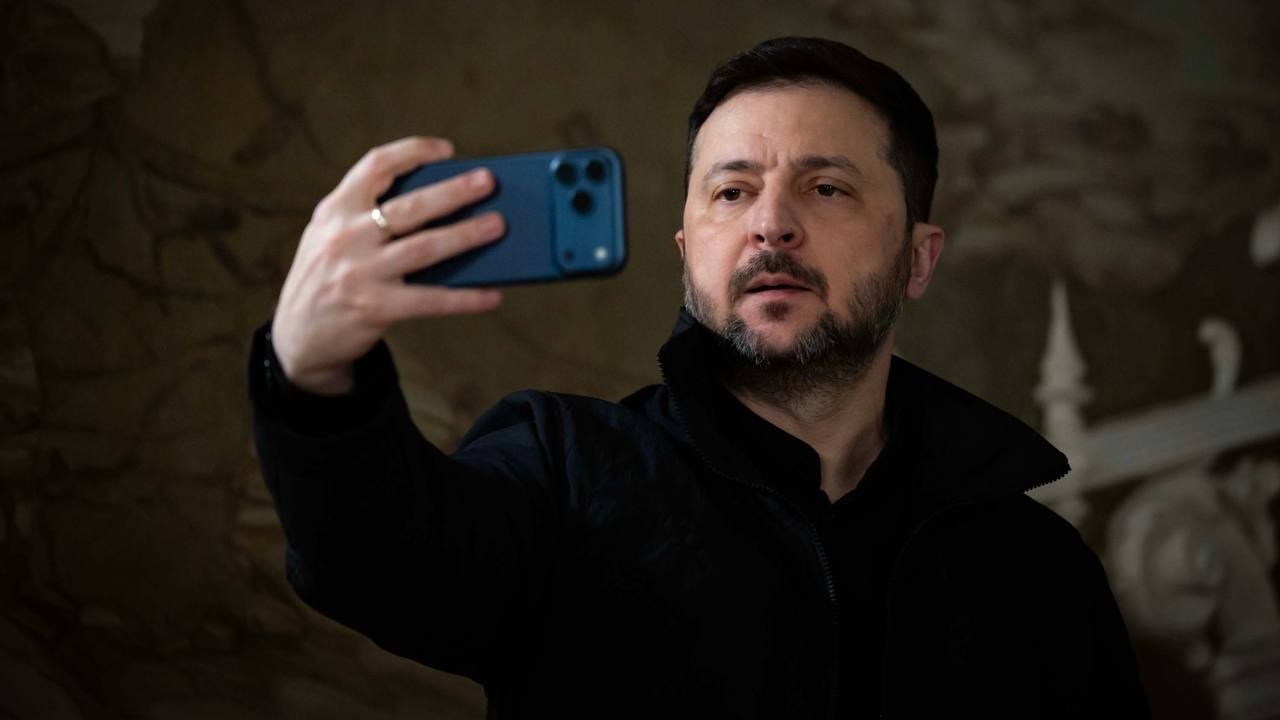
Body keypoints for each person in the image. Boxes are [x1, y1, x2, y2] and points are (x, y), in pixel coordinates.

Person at [249, 37, 1150, 718]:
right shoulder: (564, 472)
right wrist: (311, 373)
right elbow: (381, 562)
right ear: (689, 250)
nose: (771, 225)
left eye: (826, 188)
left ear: (919, 258)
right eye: (731, 191)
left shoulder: (1039, 570)